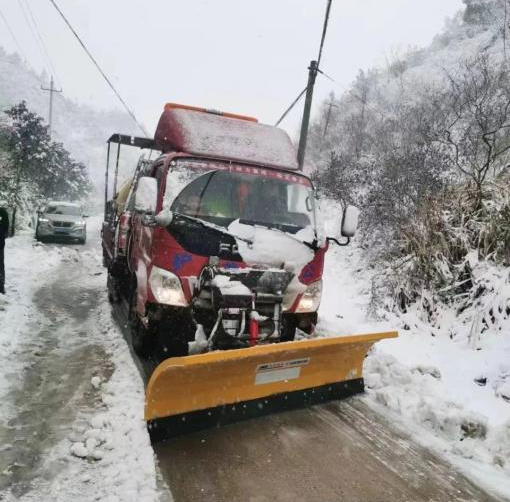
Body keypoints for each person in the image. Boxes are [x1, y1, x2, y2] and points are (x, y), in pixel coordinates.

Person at [0, 205, 9, 294]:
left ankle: (1, 286)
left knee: (0, 265)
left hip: (0, 244)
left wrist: (3, 235)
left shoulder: (2, 212)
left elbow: (6, 230)